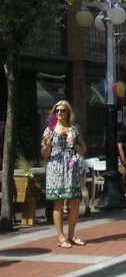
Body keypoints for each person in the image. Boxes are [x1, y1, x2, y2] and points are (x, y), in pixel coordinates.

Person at [41, 100, 87, 248]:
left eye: (62, 110)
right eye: (57, 111)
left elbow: (83, 149)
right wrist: (47, 145)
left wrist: (74, 146)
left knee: (75, 201)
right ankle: (61, 237)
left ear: (68, 112)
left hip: (70, 167)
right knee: (59, 201)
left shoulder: (74, 129)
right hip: (55, 167)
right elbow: (44, 154)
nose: (59, 113)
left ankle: (71, 235)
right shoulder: (49, 129)